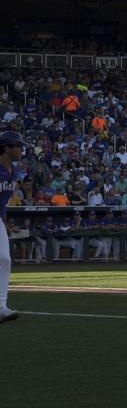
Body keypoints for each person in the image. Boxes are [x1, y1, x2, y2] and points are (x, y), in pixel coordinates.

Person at [0, 131, 27, 322]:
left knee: (5, 259)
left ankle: (1, 307)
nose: (21, 149)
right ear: (7, 148)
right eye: (18, 146)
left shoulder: (14, 172)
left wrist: (4, 223)